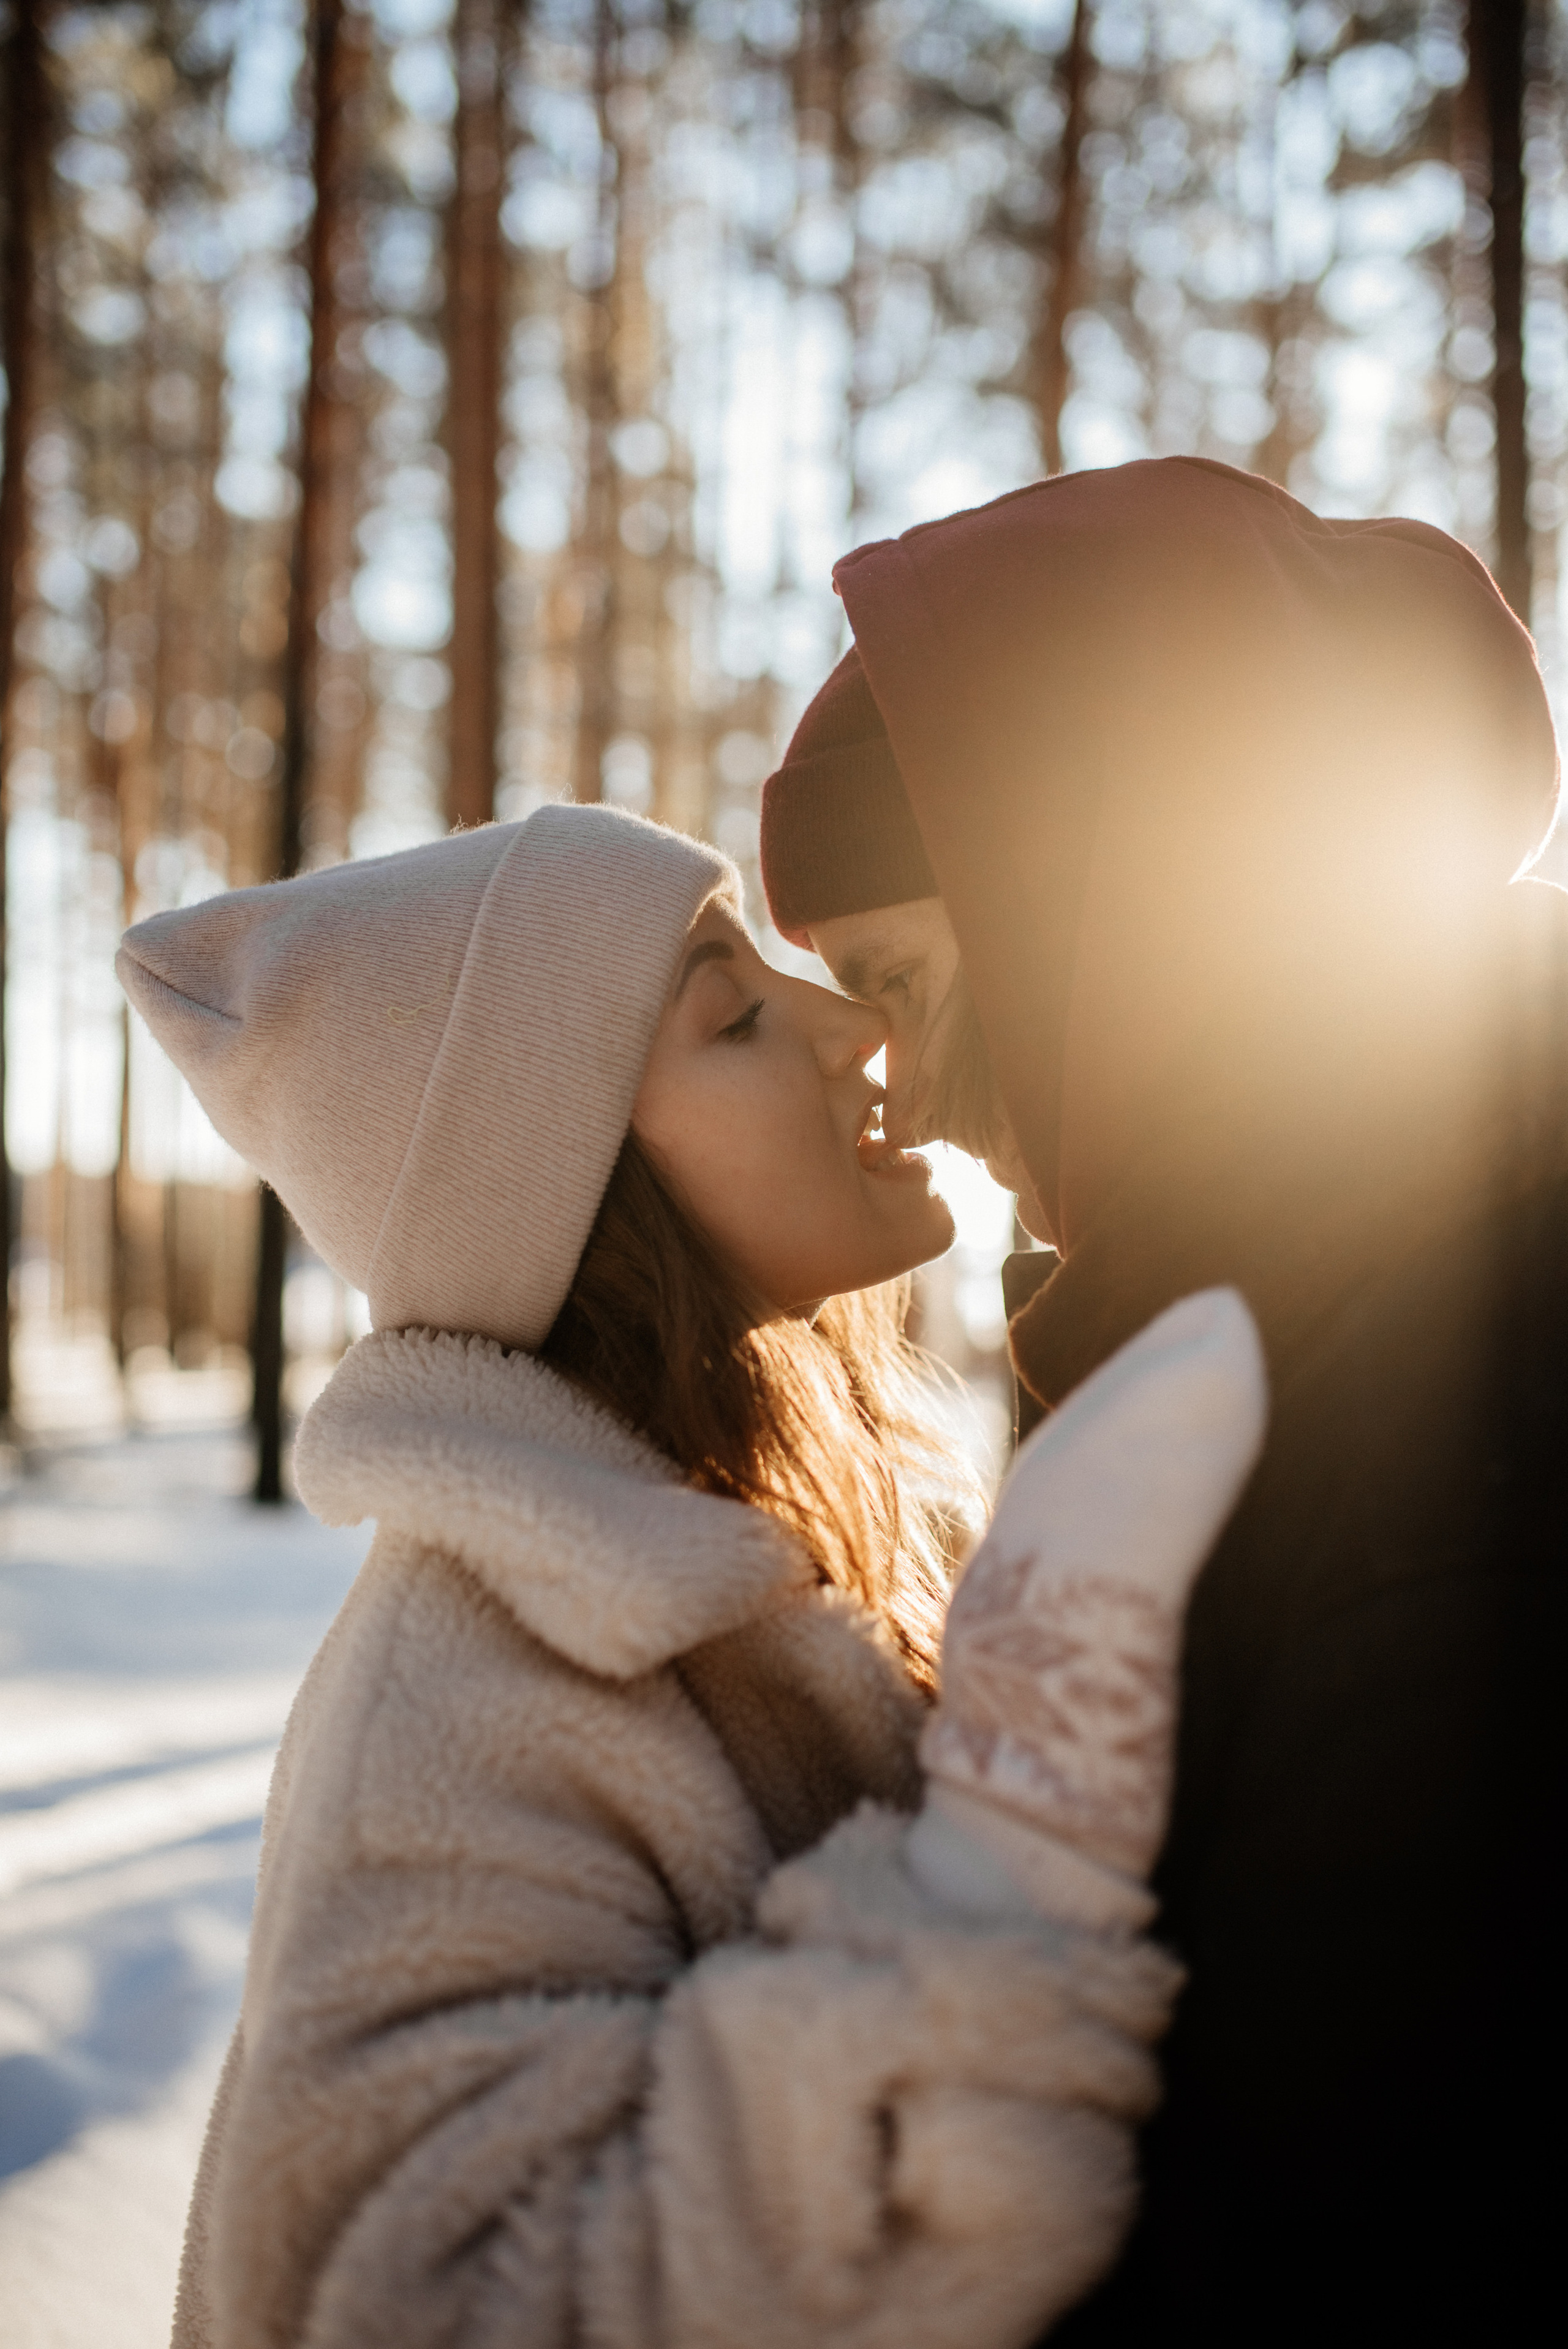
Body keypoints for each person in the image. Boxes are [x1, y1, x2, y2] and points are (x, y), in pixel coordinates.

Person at [118, 802, 1267, 2349]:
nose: (852, 1023)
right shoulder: (471, 1692)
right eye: (734, 1016)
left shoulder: (783, 1531)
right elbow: (426, 2307)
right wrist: (1008, 1857)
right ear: (580, 1199)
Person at [759, 455, 1568, 2340]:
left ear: (1085, 908)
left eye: (903, 981)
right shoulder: (1298, 1291)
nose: (915, 1110)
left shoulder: (1446, 1378)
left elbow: (1345, 2218)